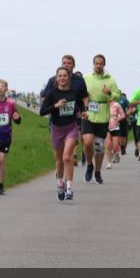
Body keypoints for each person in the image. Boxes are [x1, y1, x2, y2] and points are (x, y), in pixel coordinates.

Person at [40, 66, 87, 201]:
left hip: (71, 128)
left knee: (67, 158)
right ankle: (60, 185)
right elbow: (42, 111)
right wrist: (56, 105)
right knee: (59, 160)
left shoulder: (74, 93)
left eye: (64, 76)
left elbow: (79, 108)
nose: (62, 78)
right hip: (57, 129)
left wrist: (82, 113)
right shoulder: (52, 94)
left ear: (68, 77)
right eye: (59, 76)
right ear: (56, 78)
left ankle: (69, 189)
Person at [40, 55, 87, 168]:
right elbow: (43, 98)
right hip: (56, 119)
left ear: (73, 65)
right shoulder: (53, 80)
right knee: (59, 156)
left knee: (69, 148)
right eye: (64, 63)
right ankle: (60, 172)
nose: (66, 65)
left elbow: (85, 96)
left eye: (69, 63)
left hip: (73, 118)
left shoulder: (79, 80)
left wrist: (86, 109)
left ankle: (72, 157)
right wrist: (52, 107)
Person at [82, 55, 120, 184]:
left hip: (103, 115)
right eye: (96, 63)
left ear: (104, 65)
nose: (98, 65)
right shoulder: (86, 78)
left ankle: (97, 171)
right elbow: (79, 93)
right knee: (87, 142)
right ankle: (89, 165)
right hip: (88, 114)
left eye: (101, 63)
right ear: (93, 64)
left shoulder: (110, 80)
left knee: (99, 146)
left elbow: (117, 96)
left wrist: (109, 93)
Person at [106, 98, 126, 168]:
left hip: (115, 127)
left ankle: (115, 153)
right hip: (106, 127)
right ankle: (109, 162)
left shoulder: (116, 104)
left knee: (115, 146)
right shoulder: (103, 104)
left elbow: (123, 115)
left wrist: (118, 119)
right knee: (108, 145)